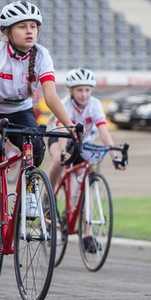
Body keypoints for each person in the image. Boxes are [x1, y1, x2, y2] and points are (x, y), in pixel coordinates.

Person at [0, 0, 76, 282]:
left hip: (20, 111)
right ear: (7, 31)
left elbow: (51, 96)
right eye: (23, 27)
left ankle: (29, 194)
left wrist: (70, 124)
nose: (30, 31)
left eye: (33, 26)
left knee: (37, 146)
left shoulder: (42, 55)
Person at [46, 67, 125, 252]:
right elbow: (64, 133)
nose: (84, 94)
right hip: (61, 137)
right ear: (71, 91)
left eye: (87, 90)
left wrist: (114, 156)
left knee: (87, 180)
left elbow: (104, 133)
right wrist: (65, 152)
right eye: (80, 90)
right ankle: (47, 196)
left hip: (83, 142)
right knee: (59, 160)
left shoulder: (95, 105)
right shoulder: (65, 105)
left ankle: (87, 234)